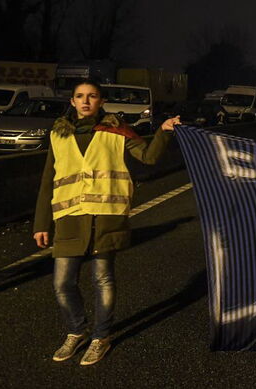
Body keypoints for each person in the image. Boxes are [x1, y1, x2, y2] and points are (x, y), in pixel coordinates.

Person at [32, 80, 181, 365]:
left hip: (105, 217)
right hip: (69, 219)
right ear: (72, 101)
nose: (86, 101)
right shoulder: (57, 134)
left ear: (101, 101)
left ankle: (101, 337)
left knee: (102, 279)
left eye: (92, 96)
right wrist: (42, 223)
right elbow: (48, 180)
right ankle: (77, 331)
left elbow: (148, 157)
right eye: (80, 96)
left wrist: (163, 131)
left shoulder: (117, 130)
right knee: (62, 282)